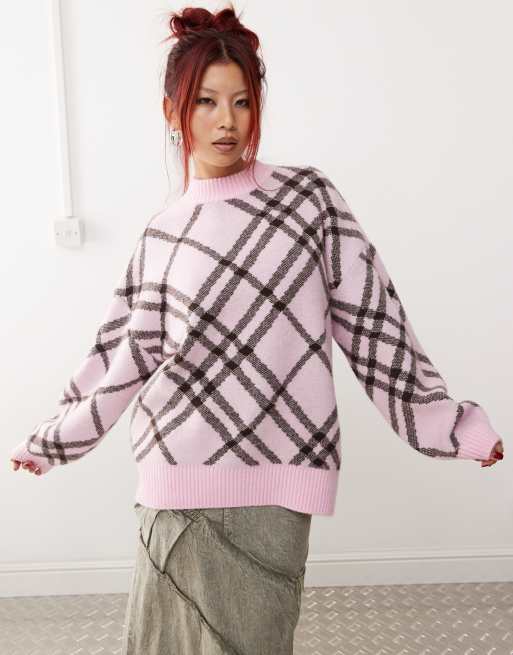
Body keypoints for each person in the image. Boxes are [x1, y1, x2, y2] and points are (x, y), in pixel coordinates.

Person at [10, 3, 504, 654]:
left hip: (281, 479)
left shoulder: (307, 200)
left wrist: (449, 425)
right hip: (174, 480)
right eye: (207, 101)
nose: (227, 120)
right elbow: (121, 354)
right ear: (173, 112)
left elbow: (374, 320)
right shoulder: (163, 234)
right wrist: (55, 439)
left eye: (242, 102)